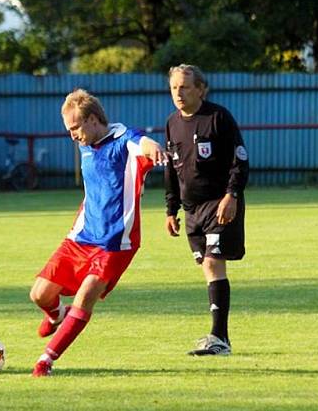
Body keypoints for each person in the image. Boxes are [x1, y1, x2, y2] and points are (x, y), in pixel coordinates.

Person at [29, 89, 166, 377]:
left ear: (93, 120)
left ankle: (46, 360)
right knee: (39, 294)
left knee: (85, 295)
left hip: (116, 243)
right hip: (81, 236)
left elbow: (141, 143)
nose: (72, 135)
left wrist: (152, 147)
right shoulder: (85, 144)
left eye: (75, 127)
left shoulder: (124, 141)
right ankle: (57, 316)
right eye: (68, 129)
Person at [164, 64, 249, 356]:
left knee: (213, 263)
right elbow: (173, 170)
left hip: (219, 204)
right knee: (207, 268)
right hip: (192, 211)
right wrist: (170, 209)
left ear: (201, 89)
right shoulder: (172, 123)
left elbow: (240, 161)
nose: (179, 92)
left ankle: (219, 337)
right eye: (174, 87)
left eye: (185, 87)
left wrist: (232, 195)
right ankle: (219, 337)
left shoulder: (218, 117)